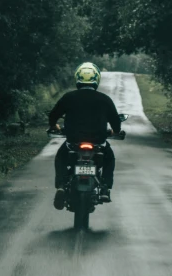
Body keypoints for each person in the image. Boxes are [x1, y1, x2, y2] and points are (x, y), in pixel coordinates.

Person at [48, 62, 121, 210]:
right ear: (97, 79)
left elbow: (53, 115)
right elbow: (116, 124)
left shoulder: (69, 97)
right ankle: (105, 187)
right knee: (109, 158)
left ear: (77, 78)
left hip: (73, 141)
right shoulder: (104, 99)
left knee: (61, 157)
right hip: (98, 142)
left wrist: (54, 126)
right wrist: (114, 131)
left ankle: (61, 186)